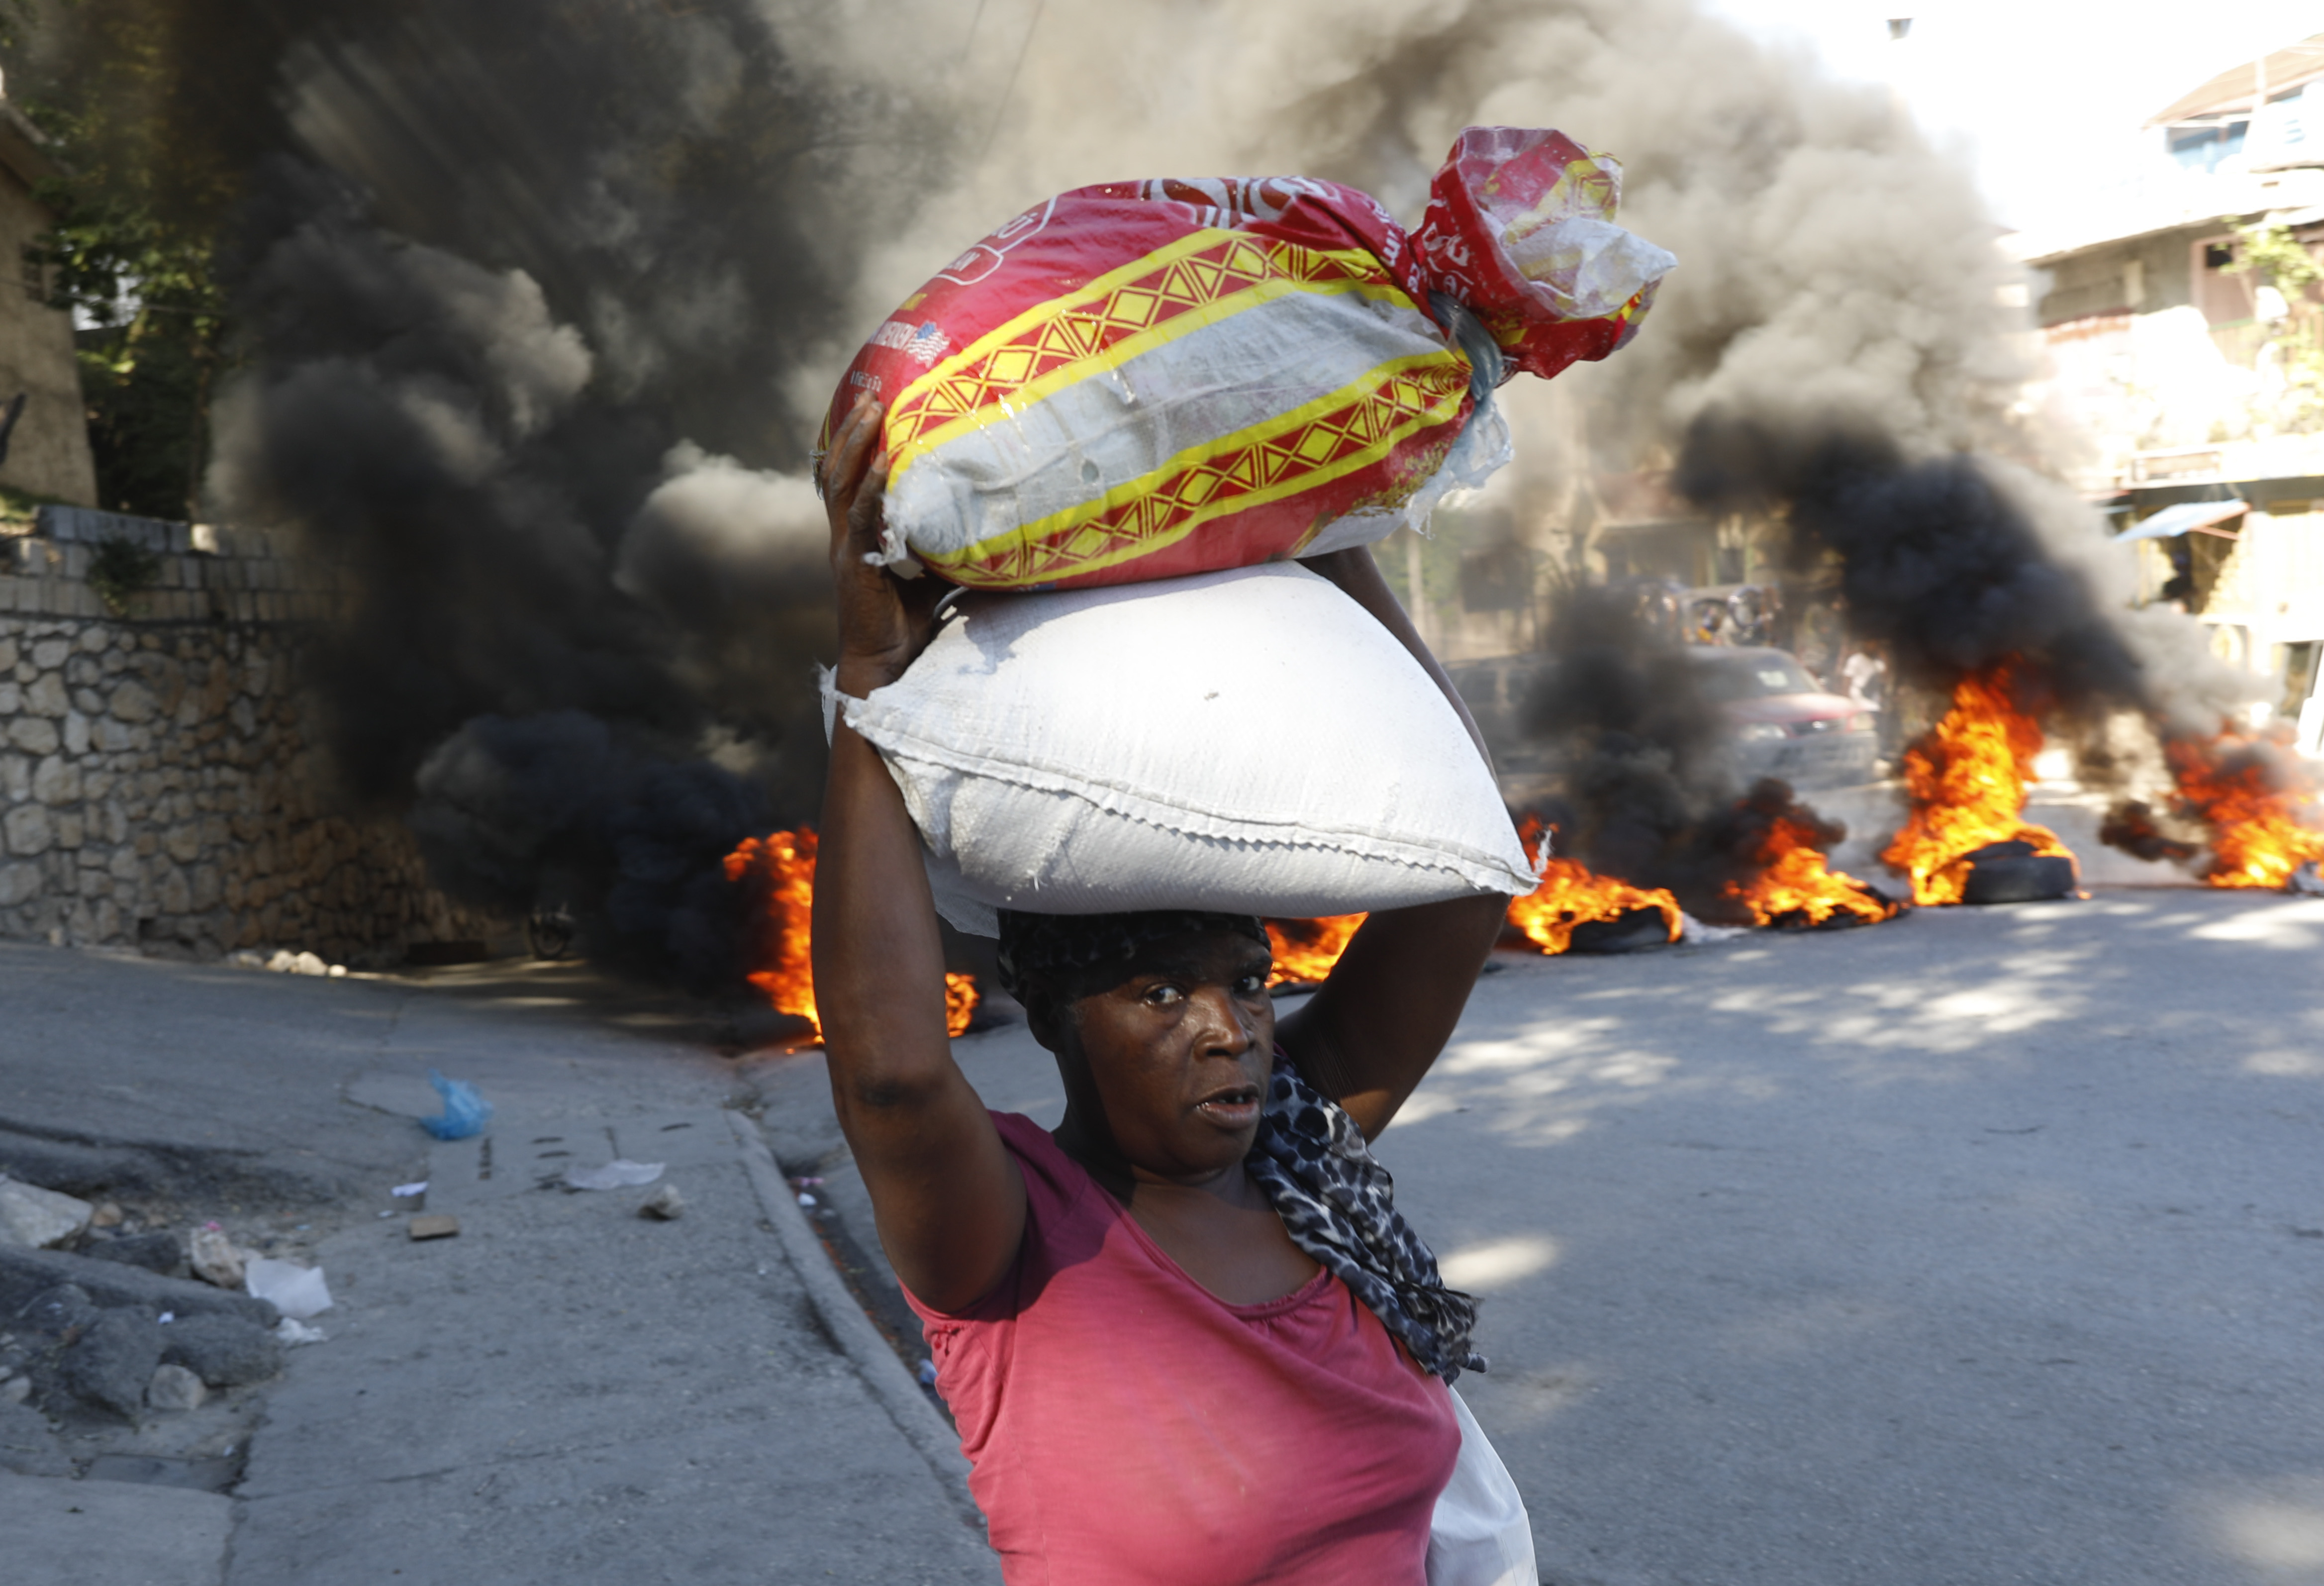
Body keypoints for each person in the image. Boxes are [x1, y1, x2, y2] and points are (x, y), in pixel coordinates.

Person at [812, 395, 1517, 1585]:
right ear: (1050, 1019)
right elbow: (888, 1073)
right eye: (1157, 995)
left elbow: (1463, 864)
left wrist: (1326, 535)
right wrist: (876, 677)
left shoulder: (1300, 1151)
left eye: (1246, 982)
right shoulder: (1011, 1236)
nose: (1228, 1029)